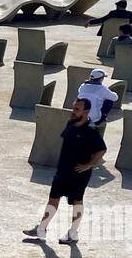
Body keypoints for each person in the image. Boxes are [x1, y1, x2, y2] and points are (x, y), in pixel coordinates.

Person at [23, 98, 106, 245]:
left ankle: (73, 234)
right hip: (62, 171)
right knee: (53, 199)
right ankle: (41, 229)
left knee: (77, 202)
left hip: (78, 175)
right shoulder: (70, 124)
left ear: (86, 112)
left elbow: (101, 150)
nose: (73, 111)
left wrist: (88, 165)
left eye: (77, 109)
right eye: (74, 108)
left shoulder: (91, 130)